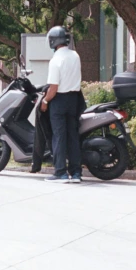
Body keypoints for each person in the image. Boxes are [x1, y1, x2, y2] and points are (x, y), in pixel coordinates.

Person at [40, 26, 83, 183]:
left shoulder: (55, 60)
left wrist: (45, 101)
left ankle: (60, 173)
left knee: (58, 137)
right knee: (72, 136)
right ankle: (76, 173)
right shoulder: (75, 55)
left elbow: (53, 88)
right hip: (74, 100)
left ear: (52, 41)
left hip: (59, 101)